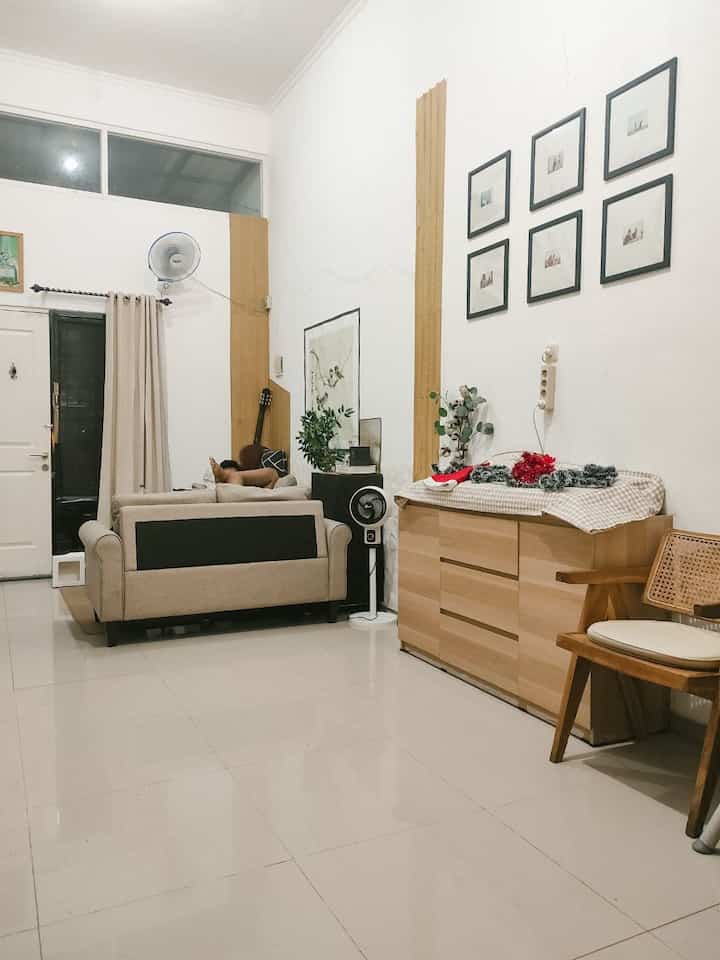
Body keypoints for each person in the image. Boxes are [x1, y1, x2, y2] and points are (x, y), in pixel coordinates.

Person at [209, 446, 279, 488]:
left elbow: (272, 474)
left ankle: (223, 474)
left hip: (271, 477)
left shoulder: (239, 476)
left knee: (234, 476)